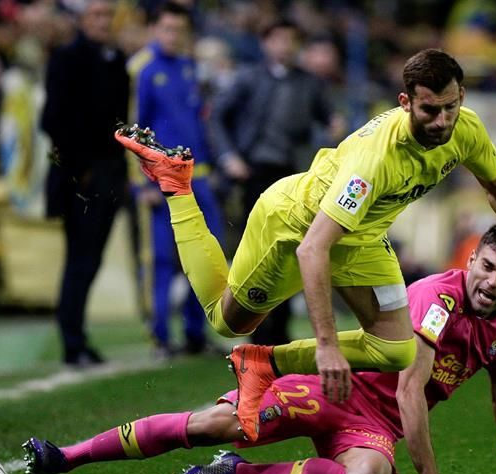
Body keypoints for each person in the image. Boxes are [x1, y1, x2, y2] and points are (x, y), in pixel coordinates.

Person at [116, 48, 496, 442]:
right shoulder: (375, 161)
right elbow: (313, 249)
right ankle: (178, 187)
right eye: (429, 110)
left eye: (451, 107)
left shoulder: (466, 128)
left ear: (461, 97)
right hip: (295, 227)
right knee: (229, 322)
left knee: (396, 349)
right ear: (405, 103)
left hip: (362, 239)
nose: (442, 121)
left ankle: (265, 363)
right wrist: (325, 345)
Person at [22, 224, 496, 474]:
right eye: (487, 267)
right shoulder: (436, 298)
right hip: (333, 388)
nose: (490, 282)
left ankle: (242, 473)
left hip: (372, 428)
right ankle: (65, 457)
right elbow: (409, 389)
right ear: (470, 259)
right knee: (220, 422)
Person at [206, 18, 346, 346]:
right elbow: (216, 117)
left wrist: (335, 125)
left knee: (291, 251)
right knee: (254, 252)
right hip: (254, 174)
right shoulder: (248, 78)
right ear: (266, 43)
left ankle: (276, 332)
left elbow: (330, 119)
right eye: (278, 39)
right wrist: (229, 157)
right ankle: (250, 325)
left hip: (294, 178)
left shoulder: (310, 84)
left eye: (291, 40)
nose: (285, 46)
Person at [128, 2, 224, 359]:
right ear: (154, 29)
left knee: (205, 255)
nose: (172, 36)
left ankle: (195, 333)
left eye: (178, 31)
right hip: (160, 181)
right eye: (166, 29)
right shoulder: (141, 69)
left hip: (198, 178)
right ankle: (159, 336)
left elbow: (199, 124)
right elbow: (131, 131)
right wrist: (141, 184)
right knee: (162, 259)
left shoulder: (188, 68)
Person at [41, 0, 130, 367]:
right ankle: (71, 341)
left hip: (109, 172)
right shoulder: (66, 58)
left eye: (107, 16)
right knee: (79, 259)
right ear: (82, 19)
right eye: (96, 15)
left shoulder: (115, 60)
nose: (102, 22)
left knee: (90, 260)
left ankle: (77, 337)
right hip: (82, 176)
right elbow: (52, 121)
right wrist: (80, 169)